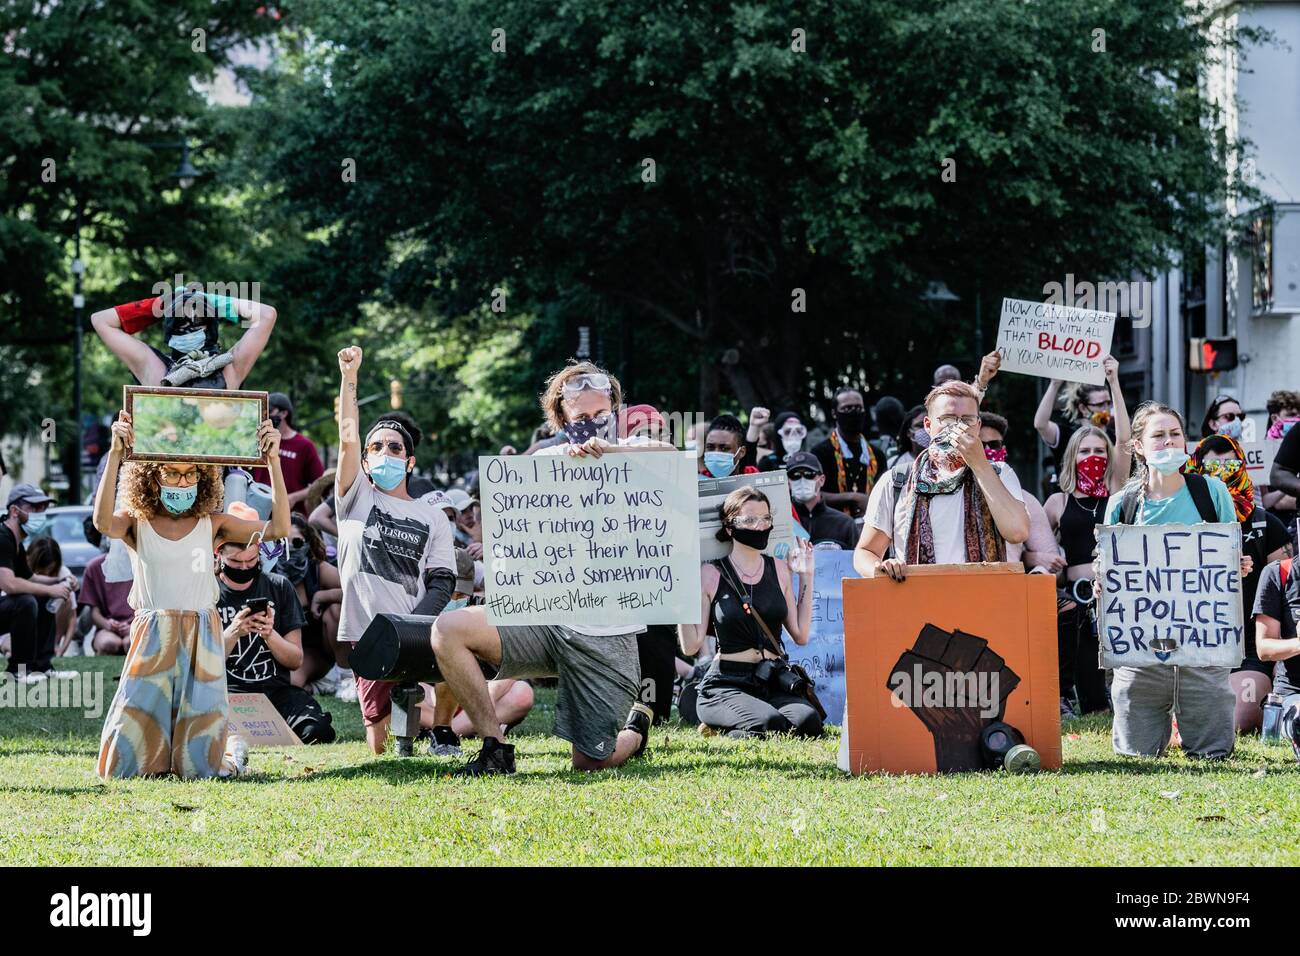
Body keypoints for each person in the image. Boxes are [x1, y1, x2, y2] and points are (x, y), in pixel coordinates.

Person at [429, 360, 666, 775]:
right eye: (581, 419)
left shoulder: (633, 455)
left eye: (601, 416)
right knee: (447, 630)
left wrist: (613, 451)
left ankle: (636, 730)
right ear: (561, 419)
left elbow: (670, 456)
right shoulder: (544, 462)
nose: (591, 426)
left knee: (592, 762)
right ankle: (494, 747)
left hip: (607, 635)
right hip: (544, 622)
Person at [93, 408, 290, 778]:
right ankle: (205, 750)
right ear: (152, 476)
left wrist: (274, 461)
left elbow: (279, 527)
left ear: (203, 478)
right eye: (172, 473)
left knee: (198, 767)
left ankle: (230, 751)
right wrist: (116, 454)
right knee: (122, 764)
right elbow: (102, 522)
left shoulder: (212, 524)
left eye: (190, 474)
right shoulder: (138, 523)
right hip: (153, 636)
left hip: (202, 635)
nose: (182, 483)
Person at [1102, 402, 1246, 760]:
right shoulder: (1123, 504)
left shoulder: (1212, 492)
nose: (1169, 442)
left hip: (1203, 646)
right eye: (1158, 435)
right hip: (1142, 649)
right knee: (1135, 753)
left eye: (1175, 434)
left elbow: (1228, 555)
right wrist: (1102, 580)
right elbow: (1106, 564)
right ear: (1138, 446)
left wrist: (1236, 565)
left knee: (1214, 751)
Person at [333, 346, 458, 754]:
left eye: (394, 448)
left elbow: (443, 580)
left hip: (419, 628)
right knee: (382, 747)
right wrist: (349, 377)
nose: (384, 453)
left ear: (409, 461)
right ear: (365, 461)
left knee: (459, 642)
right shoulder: (355, 498)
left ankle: (442, 730)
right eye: (376, 448)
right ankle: (420, 727)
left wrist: (412, 625)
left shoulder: (432, 515)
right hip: (366, 634)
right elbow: (346, 436)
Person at [854, 381, 1030, 580]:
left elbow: (1017, 532)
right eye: (948, 420)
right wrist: (882, 569)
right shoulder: (897, 481)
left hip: (981, 601)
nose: (958, 428)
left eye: (967, 420)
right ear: (928, 426)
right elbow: (865, 553)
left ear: (978, 425)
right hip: (917, 603)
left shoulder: (999, 473)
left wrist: (980, 465)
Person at [681, 486, 820, 738]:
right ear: (730, 526)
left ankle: (737, 727)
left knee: (809, 722)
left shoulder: (779, 570)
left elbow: (800, 635)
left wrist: (806, 575)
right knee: (771, 724)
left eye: (765, 518)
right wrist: (679, 600)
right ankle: (721, 724)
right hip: (727, 682)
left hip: (770, 678)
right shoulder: (711, 574)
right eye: (750, 520)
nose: (759, 526)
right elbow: (691, 647)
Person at [1186, 435, 1291, 732]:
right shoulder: (1180, 524)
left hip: (1248, 649)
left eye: (1229, 464)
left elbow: (1286, 595)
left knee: (1239, 721)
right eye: (1212, 467)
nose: (1222, 472)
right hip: (1195, 647)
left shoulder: (1266, 523)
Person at [215, 504, 336, 745]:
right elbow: (200, 662)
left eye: (251, 561)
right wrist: (234, 632)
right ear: (218, 553)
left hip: (274, 692)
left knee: (317, 731)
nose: (244, 568)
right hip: (225, 693)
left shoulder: (278, 587)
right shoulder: (207, 591)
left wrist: (269, 634)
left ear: (259, 551)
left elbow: (295, 660)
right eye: (236, 562)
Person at [1043, 426, 1130, 715]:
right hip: (1078, 600)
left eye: (1099, 450)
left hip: (1117, 594)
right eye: (1084, 450)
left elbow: (1125, 440)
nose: (1092, 456)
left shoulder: (1117, 493)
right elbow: (1034, 547)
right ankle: (1071, 696)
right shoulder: (1059, 501)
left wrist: (1114, 382)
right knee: (1094, 703)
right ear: (1072, 456)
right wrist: (1047, 558)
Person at [418, 549, 536, 751]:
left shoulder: (480, 610)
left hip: (479, 696)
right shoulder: (420, 610)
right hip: (432, 698)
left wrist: (481, 698)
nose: (457, 597)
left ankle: (452, 730)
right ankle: (462, 728)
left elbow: (512, 666)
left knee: (522, 693)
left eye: (463, 592)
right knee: (410, 693)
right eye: (451, 591)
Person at [89, 282, 277, 390]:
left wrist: (214, 301)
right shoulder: (153, 366)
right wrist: (160, 304)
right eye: (181, 323)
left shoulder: (230, 367)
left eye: (197, 321)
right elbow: (99, 320)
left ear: (209, 327)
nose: (189, 328)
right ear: (170, 330)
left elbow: (267, 315)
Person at [0, 483, 74, 682]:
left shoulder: (15, 541)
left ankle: (42, 666)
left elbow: (29, 578)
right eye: (35, 508)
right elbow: (9, 584)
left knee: (41, 596)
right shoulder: (3, 538)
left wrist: (60, 580)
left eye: (43, 508)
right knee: (25, 601)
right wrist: (51, 590)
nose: (41, 513)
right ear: (15, 511)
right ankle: (18, 670)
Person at [276, 513, 346, 695]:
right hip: (288, 650)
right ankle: (318, 685)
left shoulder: (317, 569)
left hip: (318, 649)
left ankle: (344, 675)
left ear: (307, 544)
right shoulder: (266, 573)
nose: (289, 549)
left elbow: (358, 592)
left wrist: (323, 596)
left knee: (336, 610)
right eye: (281, 543)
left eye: (296, 542)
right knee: (289, 684)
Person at [1032, 356, 1130, 475]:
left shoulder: (1115, 437)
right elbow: (1040, 424)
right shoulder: (1067, 436)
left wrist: (1114, 381)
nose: (1106, 409)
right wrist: (1054, 385)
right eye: (1099, 404)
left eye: (1108, 403)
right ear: (1083, 408)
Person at [812, 387, 886, 519]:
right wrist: (854, 497)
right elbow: (813, 493)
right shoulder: (820, 453)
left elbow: (885, 493)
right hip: (833, 526)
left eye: (858, 408)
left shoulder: (876, 455)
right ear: (834, 413)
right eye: (847, 409)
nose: (854, 413)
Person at [249, 392, 325, 516]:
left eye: (270, 410)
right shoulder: (256, 440)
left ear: (284, 413)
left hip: (291, 516)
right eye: (263, 410)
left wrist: (294, 497)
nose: (265, 414)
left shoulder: (304, 445)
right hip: (258, 511)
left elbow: (319, 484)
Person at [786, 451, 857, 550]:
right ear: (788, 482)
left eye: (809, 474)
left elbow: (854, 563)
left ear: (822, 480)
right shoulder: (782, 523)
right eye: (795, 475)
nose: (802, 480)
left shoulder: (844, 524)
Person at [24, 537, 80, 657]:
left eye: (50, 570)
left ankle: (52, 645)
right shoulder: (21, 571)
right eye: (41, 572)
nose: (46, 575)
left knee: (65, 598)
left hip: (51, 631)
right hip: (22, 631)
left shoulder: (63, 574)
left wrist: (61, 650)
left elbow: (72, 618)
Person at [78, 550, 134, 656]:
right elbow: (93, 612)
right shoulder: (94, 568)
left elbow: (153, 609)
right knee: (108, 644)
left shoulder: (145, 565)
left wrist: (134, 627)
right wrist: (107, 624)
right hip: (106, 629)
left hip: (138, 627)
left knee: (131, 643)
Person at [1261, 390, 1300, 523]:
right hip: (1277, 523)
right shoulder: (1262, 451)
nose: (1297, 418)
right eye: (1292, 415)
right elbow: (1269, 502)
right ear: (1274, 418)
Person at [700, 414, 758, 479]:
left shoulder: (755, 478)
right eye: (710, 447)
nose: (716, 453)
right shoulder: (697, 482)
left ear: (742, 452)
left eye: (724, 448)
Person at [891, 404, 928, 470]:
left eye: (929, 424)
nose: (926, 429)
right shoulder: (895, 464)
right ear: (909, 432)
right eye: (920, 425)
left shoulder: (945, 462)